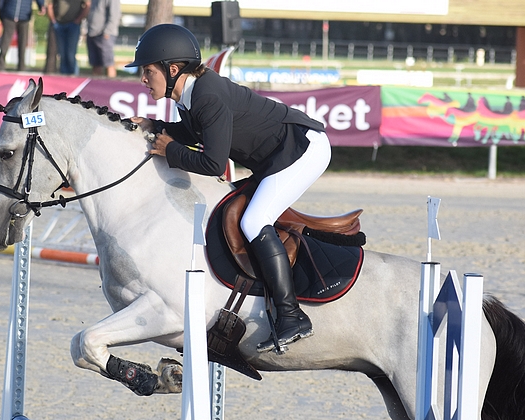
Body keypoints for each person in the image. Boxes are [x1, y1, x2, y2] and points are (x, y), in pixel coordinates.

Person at [127, 24, 331, 353]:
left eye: (148, 71)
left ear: (172, 69)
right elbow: (192, 133)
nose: (143, 79)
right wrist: (155, 126)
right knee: (232, 211)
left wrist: (170, 150)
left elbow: (212, 163)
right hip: (275, 157)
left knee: (253, 221)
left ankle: (292, 316)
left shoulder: (207, 96)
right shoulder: (189, 94)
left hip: (303, 149)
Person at [0, 0, 45, 71]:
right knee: (5, 42)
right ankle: (0, 66)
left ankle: (21, 67)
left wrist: (41, 5)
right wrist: (2, 13)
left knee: (22, 43)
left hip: (24, 16)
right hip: (9, 15)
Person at [47, 0, 89, 75]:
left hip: (73, 25)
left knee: (70, 55)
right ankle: (63, 79)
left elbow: (88, 5)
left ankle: (73, 78)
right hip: (59, 24)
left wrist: (78, 20)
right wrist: (54, 21)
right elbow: (49, 5)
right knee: (62, 55)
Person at [86, 0, 120, 78]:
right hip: (92, 33)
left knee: (108, 63)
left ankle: (112, 86)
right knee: (95, 64)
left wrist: (107, 32)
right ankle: (97, 87)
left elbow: (115, 15)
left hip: (105, 35)